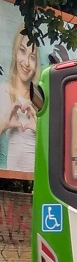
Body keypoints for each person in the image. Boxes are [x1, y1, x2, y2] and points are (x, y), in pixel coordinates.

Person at [0, 26, 41, 171]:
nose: (27, 63)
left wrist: (40, 131)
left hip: (36, 181)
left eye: (32, 57)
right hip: (11, 183)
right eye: (22, 51)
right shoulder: (3, 91)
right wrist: (4, 124)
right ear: (15, 52)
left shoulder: (41, 99)